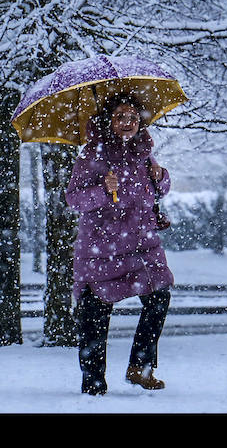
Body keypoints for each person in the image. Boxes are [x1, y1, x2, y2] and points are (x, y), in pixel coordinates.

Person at [65, 93, 174, 396]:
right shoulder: (91, 157)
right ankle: (93, 383)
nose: (128, 123)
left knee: (159, 294)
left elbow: (158, 190)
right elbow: (73, 199)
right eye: (121, 116)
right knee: (95, 315)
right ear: (109, 121)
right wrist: (102, 189)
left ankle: (140, 366)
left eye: (133, 117)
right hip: (102, 249)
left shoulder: (144, 155)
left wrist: (161, 176)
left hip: (141, 246)